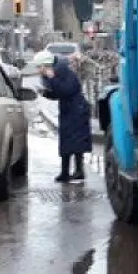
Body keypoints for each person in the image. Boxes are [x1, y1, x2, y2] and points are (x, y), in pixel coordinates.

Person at [35, 51, 93, 182]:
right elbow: (58, 93)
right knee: (67, 141)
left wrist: (51, 78)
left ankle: (77, 171)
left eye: (40, 67)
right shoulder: (57, 72)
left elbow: (66, 90)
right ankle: (67, 172)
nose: (39, 70)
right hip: (69, 109)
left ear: (46, 65)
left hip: (77, 109)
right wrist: (45, 93)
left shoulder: (62, 72)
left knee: (75, 141)